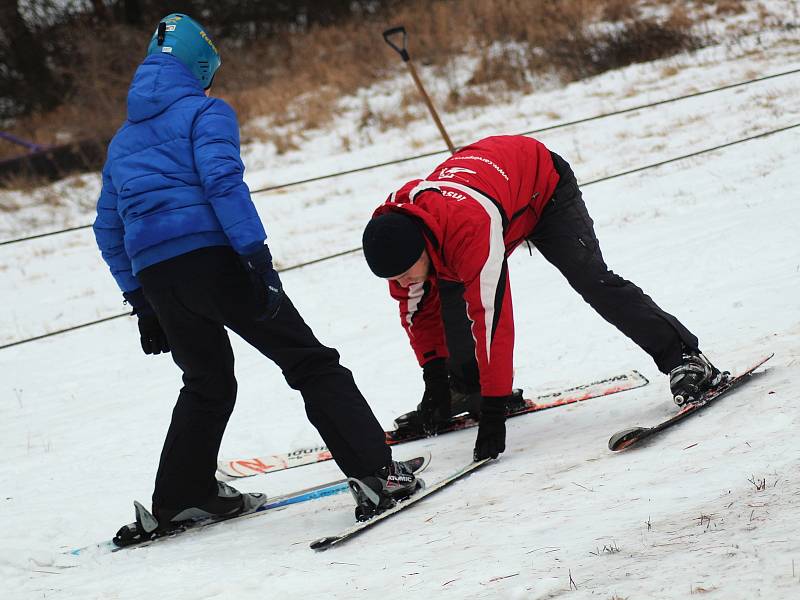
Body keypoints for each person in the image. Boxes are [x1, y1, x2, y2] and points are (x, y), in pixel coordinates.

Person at [93, 13, 418, 534]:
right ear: (201, 66)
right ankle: (379, 476)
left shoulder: (123, 142)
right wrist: (255, 258)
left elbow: (105, 229)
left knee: (206, 382)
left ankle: (182, 496)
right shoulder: (206, 113)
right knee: (311, 363)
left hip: (159, 276)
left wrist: (142, 302)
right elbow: (222, 183)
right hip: (216, 260)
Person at [361, 134, 725, 461]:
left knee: (592, 279)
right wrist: (434, 378)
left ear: (423, 247)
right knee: (444, 301)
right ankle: (463, 388)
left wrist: (493, 411)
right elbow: (418, 314)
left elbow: (493, 321)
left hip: (543, 188)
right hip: (492, 194)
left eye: (406, 271)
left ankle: (685, 359)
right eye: (395, 277)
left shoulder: (466, 232)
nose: (402, 280)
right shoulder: (398, 239)